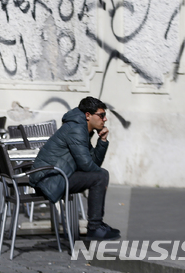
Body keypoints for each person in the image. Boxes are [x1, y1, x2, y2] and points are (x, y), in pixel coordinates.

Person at [29, 96, 120, 241]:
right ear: (88, 115)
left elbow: (94, 163)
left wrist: (102, 141)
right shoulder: (76, 129)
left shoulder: (82, 129)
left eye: (105, 115)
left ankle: (96, 226)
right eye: (101, 115)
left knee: (100, 175)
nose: (105, 119)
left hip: (57, 176)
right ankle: (95, 227)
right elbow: (86, 165)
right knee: (101, 176)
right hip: (49, 181)